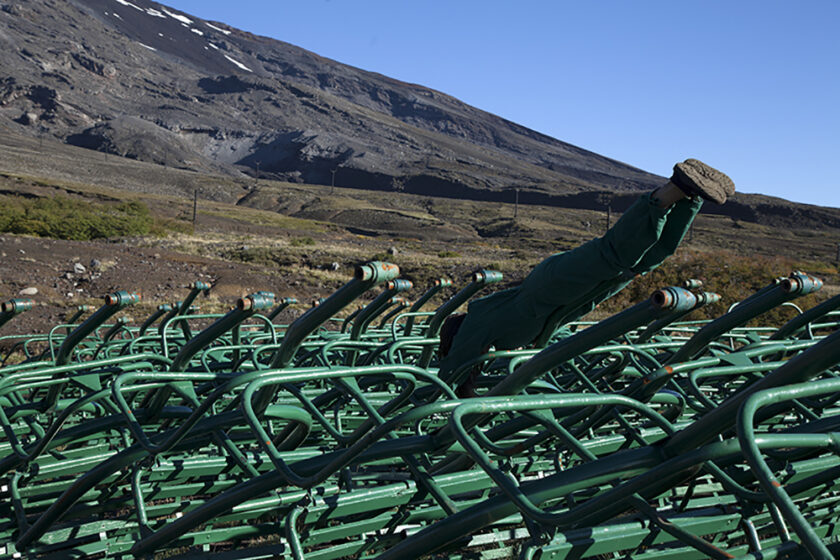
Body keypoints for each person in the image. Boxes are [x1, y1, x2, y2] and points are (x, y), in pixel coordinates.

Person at [437, 158, 735, 394]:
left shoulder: (473, 325)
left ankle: (670, 190)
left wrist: (452, 387)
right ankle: (691, 196)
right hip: (566, 300)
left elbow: (450, 373)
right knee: (641, 263)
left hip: (548, 286)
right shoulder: (498, 336)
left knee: (612, 254)